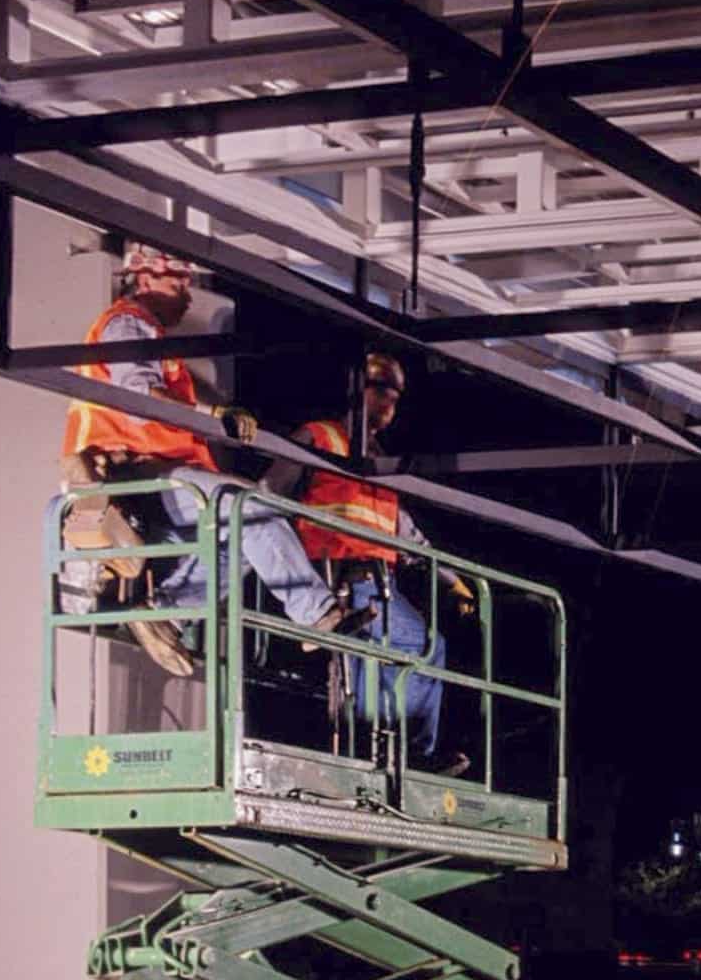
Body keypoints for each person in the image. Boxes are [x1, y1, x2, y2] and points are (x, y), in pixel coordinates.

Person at [60, 243, 337, 675]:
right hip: (134, 471)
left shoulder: (149, 336)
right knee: (248, 506)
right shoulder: (128, 322)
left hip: (153, 475)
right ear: (145, 278)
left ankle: (165, 614)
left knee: (240, 539)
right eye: (179, 282)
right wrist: (214, 414)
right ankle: (315, 612)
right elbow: (139, 399)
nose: (188, 295)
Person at [289, 353, 473, 776]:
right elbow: (270, 495)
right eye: (382, 390)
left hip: (376, 581)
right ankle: (414, 752)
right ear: (357, 391)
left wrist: (453, 581)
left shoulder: (381, 462)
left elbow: (406, 535)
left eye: (396, 395)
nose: (391, 403)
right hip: (340, 579)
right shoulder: (319, 437)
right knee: (425, 647)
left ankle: (375, 753)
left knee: (371, 663)